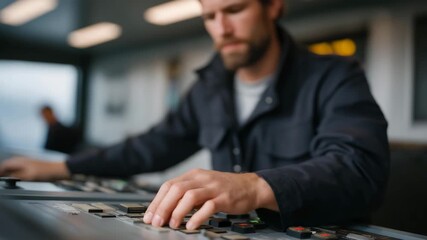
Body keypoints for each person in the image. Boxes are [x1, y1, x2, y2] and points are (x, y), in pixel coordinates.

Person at [0, 0, 389, 231]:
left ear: (273, 6)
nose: (222, 28)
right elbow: (152, 146)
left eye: (235, 9)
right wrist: (65, 167)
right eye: (209, 15)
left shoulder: (336, 76)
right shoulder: (209, 87)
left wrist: (254, 187)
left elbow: (358, 168)